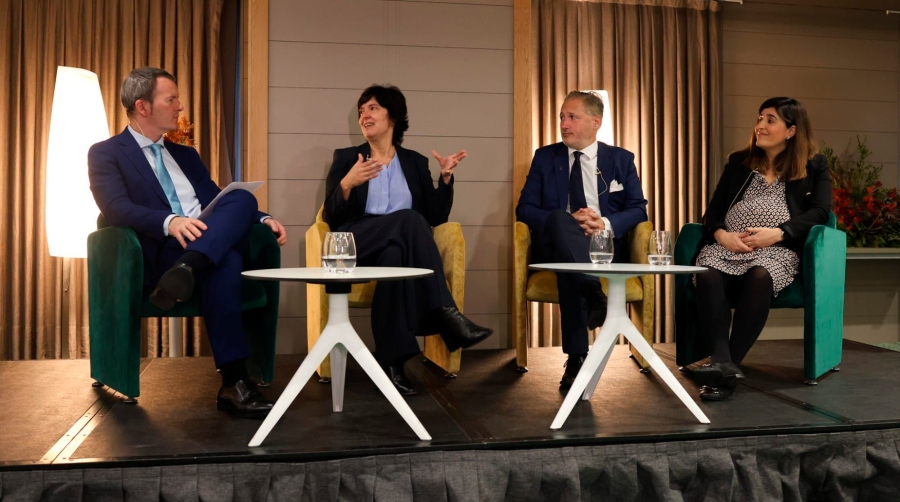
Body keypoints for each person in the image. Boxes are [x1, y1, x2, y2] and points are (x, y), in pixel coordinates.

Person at [88, 67, 288, 417]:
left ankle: (190, 268)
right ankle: (233, 382)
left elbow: (215, 198)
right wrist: (170, 222)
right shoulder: (106, 153)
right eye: (172, 99)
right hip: (160, 253)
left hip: (198, 249)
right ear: (143, 107)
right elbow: (115, 209)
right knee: (225, 262)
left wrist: (263, 219)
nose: (180, 106)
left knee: (242, 199)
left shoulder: (185, 155)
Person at [323, 84, 494, 396]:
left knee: (395, 255)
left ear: (393, 118)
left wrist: (444, 179)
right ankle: (445, 312)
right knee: (409, 221)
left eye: (372, 108)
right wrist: (346, 184)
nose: (365, 115)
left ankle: (392, 364)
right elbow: (332, 220)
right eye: (361, 111)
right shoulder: (347, 157)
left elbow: (434, 216)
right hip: (357, 239)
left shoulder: (414, 162)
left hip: (397, 242)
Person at [691, 97, 832, 401]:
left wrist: (779, 233)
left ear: (791, 130)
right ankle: (721, 362)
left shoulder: (813, 165)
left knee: (760, 276)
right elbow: (712, 212)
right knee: (706, 274)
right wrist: (721, 235)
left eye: (770, 120)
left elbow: (820, 212)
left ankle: (726, 367)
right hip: (728, 245)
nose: (760, 126)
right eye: (759, 118)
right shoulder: (738, 162)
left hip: (775, 249)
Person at [516, 90, 649, 389]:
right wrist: (565, 221)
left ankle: (576, 358)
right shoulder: (545, 157)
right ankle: (592, 289)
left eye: (572, 117)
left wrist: (603, 223)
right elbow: (524, 209)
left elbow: (638, 209)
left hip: (602, 244)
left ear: (595, 122)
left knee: (570, 268)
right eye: (562, 117)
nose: (564, 124)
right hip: (554, 242)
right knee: (560, 222)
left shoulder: (621, 159)